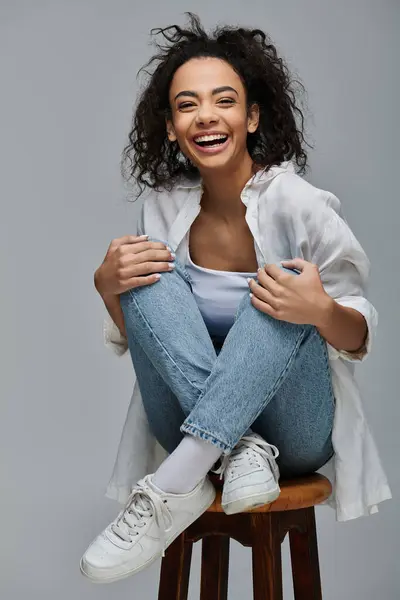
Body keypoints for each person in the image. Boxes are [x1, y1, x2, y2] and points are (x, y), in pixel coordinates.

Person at [80, 13, 391, 584]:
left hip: (293, 430)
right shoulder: (164, 207)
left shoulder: (298, 202)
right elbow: (148, 338)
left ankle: (173, 488)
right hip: (187, 416)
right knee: (144, 275)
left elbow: (357, 335)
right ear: (171, 127)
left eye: (224, 101)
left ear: (250, 117)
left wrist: (319, 311)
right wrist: (108, 287)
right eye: (186, 105)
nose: (205, 116)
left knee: (281, 288)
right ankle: (229, 444)